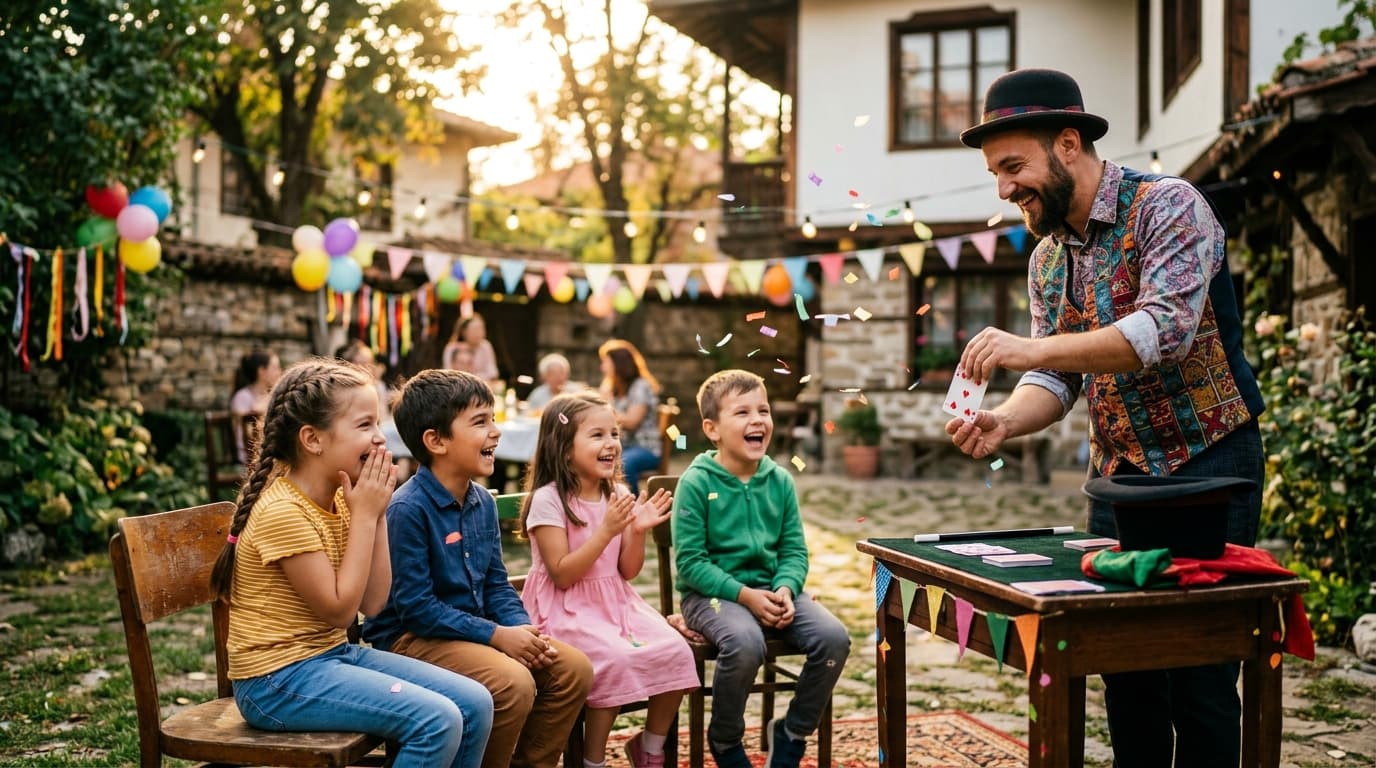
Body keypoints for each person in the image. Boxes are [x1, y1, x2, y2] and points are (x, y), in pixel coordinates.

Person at [950, 68, 1266, 768]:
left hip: (1211, 463)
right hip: (1118, 481)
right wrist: (1006, 419)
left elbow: (1163, 331)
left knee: (1202, 681)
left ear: (1068, 143)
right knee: (1126, 674)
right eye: (996, 173)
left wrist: (1031, 346)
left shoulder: (1169, 206)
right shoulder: (1045, 262)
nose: (1004, 188)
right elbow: (1054, 378)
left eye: (1013, 166)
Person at [209, 359, 494, 768]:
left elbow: (375, 602)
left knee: (476, 702)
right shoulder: (283, 512)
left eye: (378, 424)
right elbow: (342, 610)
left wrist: (375, 515)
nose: (380, 439)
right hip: (275, 681)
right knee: (437, 720)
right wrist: (365, 515)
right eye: (364, 426)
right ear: (312, 439)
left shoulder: (344, 498)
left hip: (329, 658)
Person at [362, 369, 593, 768]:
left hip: (470, 632)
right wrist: (495, 635)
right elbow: (416, 608)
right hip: (410, 638)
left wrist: (519, 629)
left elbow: (496, 585)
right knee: (512, 683)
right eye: (480, 422)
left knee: (572, 669)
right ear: (436, 441)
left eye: (493, 418)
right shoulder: (408, 509)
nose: (496, 432)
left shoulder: (481, 501)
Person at [673, 370, 851, 768]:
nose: (757, 420)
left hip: (775, 591)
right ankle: (724, 740)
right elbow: (690, 563)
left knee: (834, 639)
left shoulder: (780, 481)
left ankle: (792, 731)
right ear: (712, 429)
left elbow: (793, 551)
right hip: (713, 598)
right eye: (742, 412)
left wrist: (787, 588)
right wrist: (746, 596)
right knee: (746, 642)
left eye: (763, 410)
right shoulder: (696, 483)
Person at [518, 391, 698, 768]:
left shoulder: (617, 493)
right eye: (597, 435)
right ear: (564, 448)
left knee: (677, 651)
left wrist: (637, 531)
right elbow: (563, 574)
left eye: (614, 434)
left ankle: (649, 748)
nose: (611, 444)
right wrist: (607, 529)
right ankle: (593, 760)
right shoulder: (549, 500)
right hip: (564, 609)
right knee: (614, 661)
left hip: (615, 602)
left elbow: (627, 571)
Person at [334, 339, 414, 481]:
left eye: (370, 363)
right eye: (362, 364)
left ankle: (401, 471)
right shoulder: (344, 392)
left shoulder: (378, 386)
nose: (368, 368)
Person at [597, 339, 661, 495]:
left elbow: (632, 421)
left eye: (606, 362)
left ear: (618, 364)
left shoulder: (640, 386)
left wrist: (606, 406)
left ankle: (631, 506)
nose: (602, 367)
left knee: (624, 463)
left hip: (645, 448)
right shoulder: (611, 386)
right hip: (623, 445)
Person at [228, 348, 281, 463]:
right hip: (251, 455)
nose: (279, 373)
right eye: (275, 368)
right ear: (262, 371)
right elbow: (248, 432)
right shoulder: (242, 397)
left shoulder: (271, 396)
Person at [444, 314, 500, 383]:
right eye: (475, 329)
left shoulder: (485, 346)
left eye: (481, 328)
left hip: (481, 384)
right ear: (464, 331)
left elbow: (493, 372)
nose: (479, 333)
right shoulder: (452, 348)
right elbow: (448, 373)